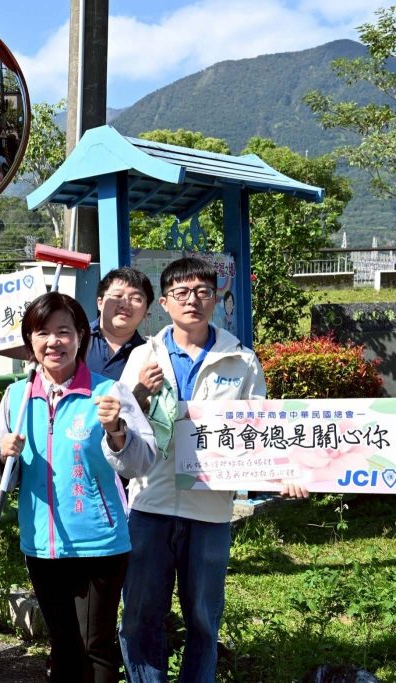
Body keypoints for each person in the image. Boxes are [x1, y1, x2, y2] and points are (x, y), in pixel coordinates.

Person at [117, 256, 307, 682]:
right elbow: (121, 427)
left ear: (217, 299)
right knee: (140, 617)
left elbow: (259, 431)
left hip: (211, 511)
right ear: (164, 302)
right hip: (150, 505)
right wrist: (140, 392)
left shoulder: (240, 360)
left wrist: (286, 473)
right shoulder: (143, 357)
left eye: (203, 292)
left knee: (203, 620)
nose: (193, 300)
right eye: (182, 293)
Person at [0, 291, 156, 683]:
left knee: (95, 646)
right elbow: (5, 475)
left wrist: (117, 430)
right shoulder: (16, 397)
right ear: (30, 341)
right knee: (63, 644)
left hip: (99, 542)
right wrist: (3, 456)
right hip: (41, 544)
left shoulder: (109, 392)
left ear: (81, 336)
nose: (54, 342)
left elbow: (142, 461)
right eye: (42, 332)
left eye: (64, 331)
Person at [86, 267, 154, 382]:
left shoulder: (149, 354)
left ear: (146, 312)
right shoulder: (76, 338)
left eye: (136, 299)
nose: (125, 304)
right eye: (117, 295)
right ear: (100, 303)